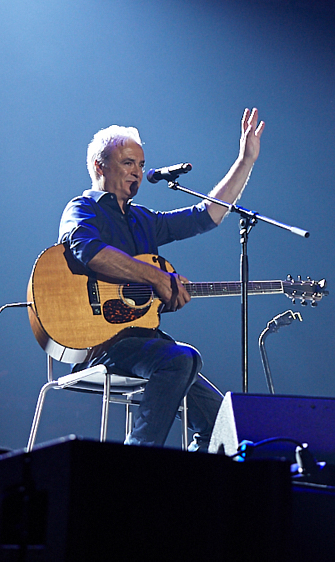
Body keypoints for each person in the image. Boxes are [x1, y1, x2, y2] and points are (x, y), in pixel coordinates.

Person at [59, 108, 265, 451]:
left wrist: (245, 161)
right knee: (181, 358)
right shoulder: (82, 208)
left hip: (145, 342)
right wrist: (154, 275)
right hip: (101, 342)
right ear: (100, 165)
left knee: (226, 426)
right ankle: (136, 458)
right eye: (128, 163)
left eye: (140, 165)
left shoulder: (144, 220)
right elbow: (88, 250)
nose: (137, 172)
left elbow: (206, 215)